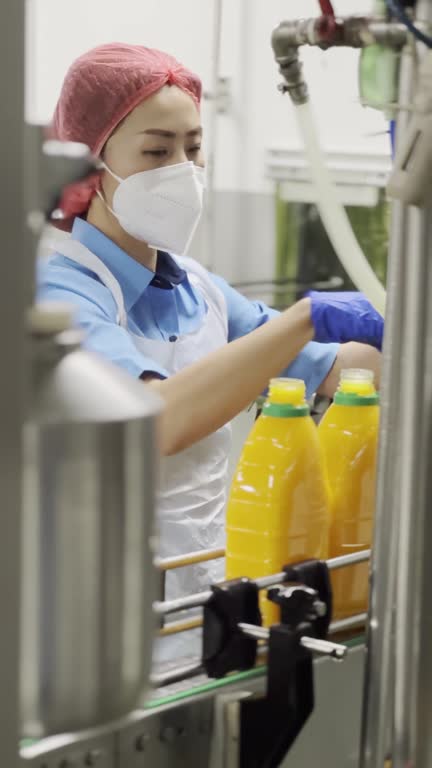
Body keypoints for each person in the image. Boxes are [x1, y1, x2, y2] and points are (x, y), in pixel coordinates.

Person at [39, 43, 383, 660]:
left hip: (207, 611)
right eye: (156, 150)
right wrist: (305, 317)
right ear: (90, 166)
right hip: (90, 628)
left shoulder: (198, 288)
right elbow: (152, 421)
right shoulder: (57, 292)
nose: (183, 169)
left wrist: (406, 338)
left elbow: (336, 371)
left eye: (193, 147)